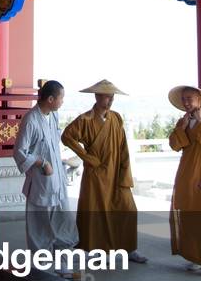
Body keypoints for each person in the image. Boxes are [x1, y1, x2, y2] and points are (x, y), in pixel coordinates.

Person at [61, 79, 147, 263]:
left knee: (128, 208)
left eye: (112, 96)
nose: (111, 100)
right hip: (97, 173)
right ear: (97, 96)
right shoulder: (86, 119)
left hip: (116, 172)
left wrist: (125, 171)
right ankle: (97, 249)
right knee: (96, 211)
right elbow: (67, 136)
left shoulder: (116, 118)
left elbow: (123, 146)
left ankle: (128, 248)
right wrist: (86, 157)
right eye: (107, 96)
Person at [14, 80, 77, 257]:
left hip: (57, 175)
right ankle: (40, 255)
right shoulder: (31, 120)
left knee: (61, 215)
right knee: (39, 219)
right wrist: (42, 162)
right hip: (41, 178)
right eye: (61, 98)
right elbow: (19, 152)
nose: (62, 101)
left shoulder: (53, 115)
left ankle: (62, 249)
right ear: (50, 99)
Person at [168, 84, 201, 278]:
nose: (187, 102)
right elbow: (174, 144)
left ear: (199, 100)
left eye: (190, 98)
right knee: (188, 214)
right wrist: (183, 127)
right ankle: (195, 256)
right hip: (186, 172)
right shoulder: (183, 121)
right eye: (184, 99)